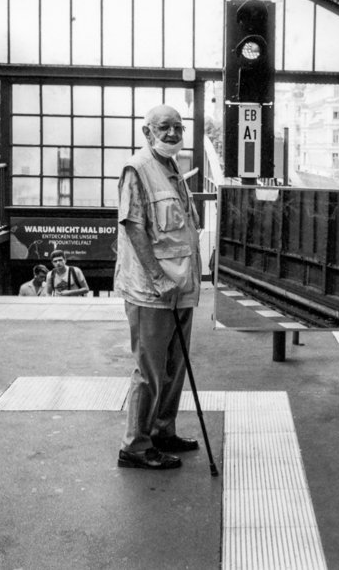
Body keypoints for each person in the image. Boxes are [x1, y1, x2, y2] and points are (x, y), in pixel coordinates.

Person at [115, 104, 202, 470]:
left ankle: (163, 430)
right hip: (153, 292)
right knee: (150, 370)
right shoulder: (138, 169)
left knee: (174, 366)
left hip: (180, 287)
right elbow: (133, 226)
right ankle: (135, 444)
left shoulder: (172, 168)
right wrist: (159, 278)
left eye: (178, 128)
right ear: (146, 131)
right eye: (164, 127)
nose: (172, 134)